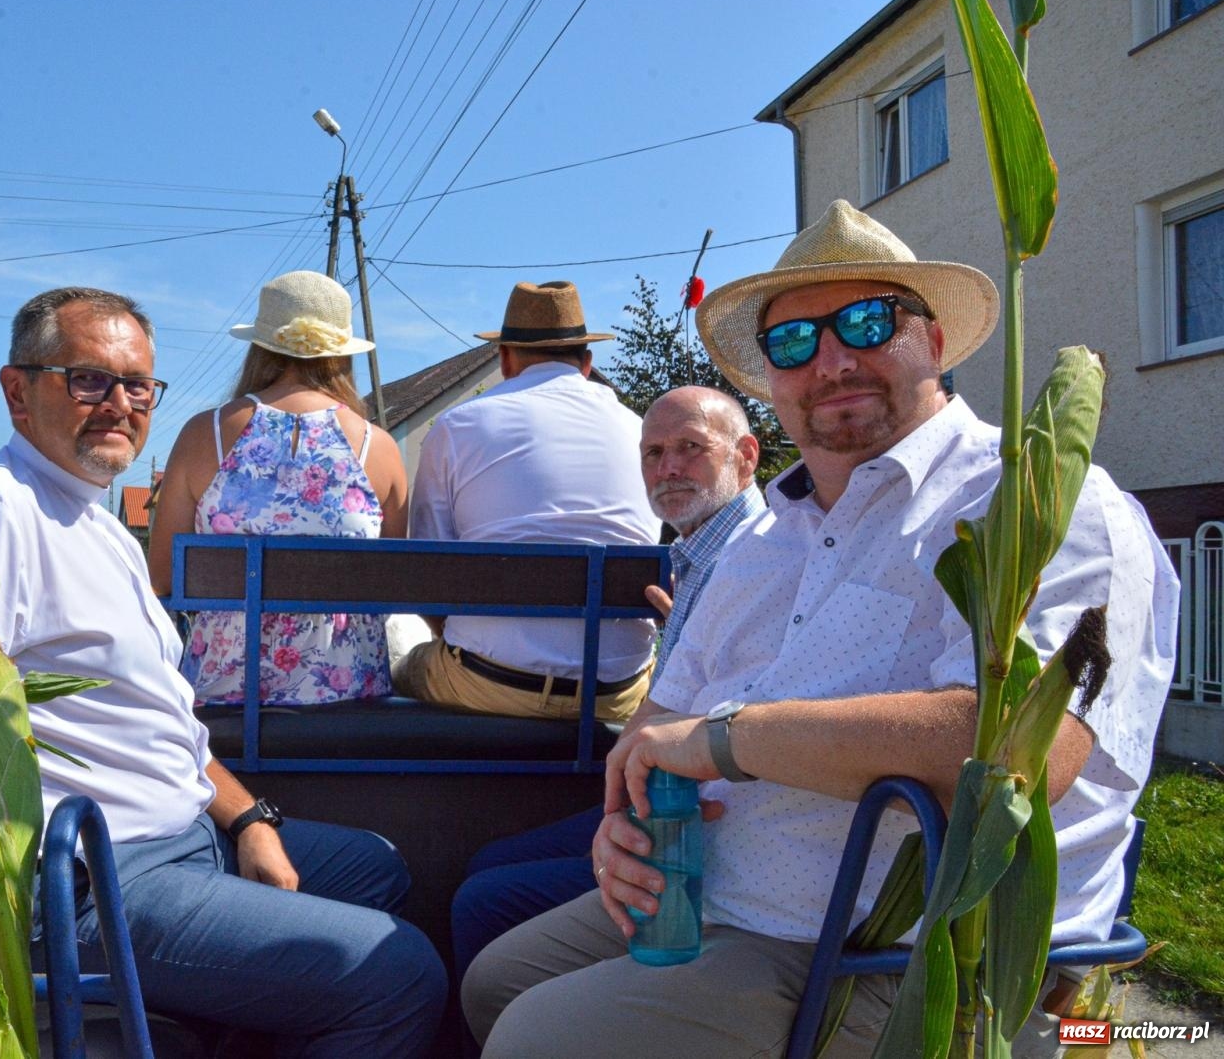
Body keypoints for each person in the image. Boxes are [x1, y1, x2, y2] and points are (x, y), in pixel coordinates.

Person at [462, 200, 1179, 1058]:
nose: (831, 360)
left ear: (935, 342)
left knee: (532, 1042)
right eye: (793, 344)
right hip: (722, 898)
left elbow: (1025, 753)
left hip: (894, 955)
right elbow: (664, 720)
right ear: (772, 380)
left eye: (868, 322)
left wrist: (729, 741)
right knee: (493, 980)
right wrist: (629, 822)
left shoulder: (1032, 503)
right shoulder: (765, 534)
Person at [0, 286, 445, 1056]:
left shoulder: (99, 523)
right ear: (17, 391)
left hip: (185, 836)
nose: (118, 403)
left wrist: (248, 820)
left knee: (375, 869)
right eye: (88, 380)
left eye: (137, 385)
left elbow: (167, 718)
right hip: (100, 881)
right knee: (400, 972)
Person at [448, 386, 764, 984]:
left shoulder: (753, 559)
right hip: (668, 798)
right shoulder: (702, 555)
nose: (668, 467)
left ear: (745, 456)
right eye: (653, 453)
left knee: (482, 901)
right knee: (488, 865)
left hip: (699, 832)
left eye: (691, 448)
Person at [395, 280, 660, 722]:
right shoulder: (641, 430)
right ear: (588, 363)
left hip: (491, 685)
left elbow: (429, 571)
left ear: (504, 359)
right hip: (616, 694)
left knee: (401, 661)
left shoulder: (456, 426)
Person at [149, 270, 406, 705]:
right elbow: (394, 580)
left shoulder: (205, 433)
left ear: (260, 346)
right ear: (342, 353)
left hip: (222, 694)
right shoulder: (375, 447)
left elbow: (161, 575)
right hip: (348, 698)